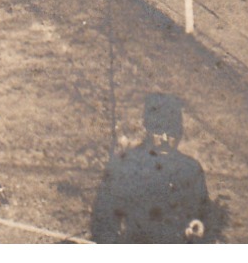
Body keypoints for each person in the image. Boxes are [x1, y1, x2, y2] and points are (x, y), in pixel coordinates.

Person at [90, 94, 215, 243]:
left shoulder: (190, 169)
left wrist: (201, 225)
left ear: (180, 132)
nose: (164, 140)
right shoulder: (125, 166)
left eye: (171, 133)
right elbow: (103, 222)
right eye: (158, 131)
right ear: (147, 129)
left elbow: (205, 215)